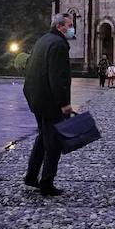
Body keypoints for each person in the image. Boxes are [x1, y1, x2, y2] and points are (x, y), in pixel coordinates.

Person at [23, 13, 75, 197]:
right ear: (61, 26)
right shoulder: (59, 45)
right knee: (53, 143)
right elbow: (57, 78)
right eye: (70, 25)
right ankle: (46, 183)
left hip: (36, 98)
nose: (71, 28)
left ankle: (31, 176)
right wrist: (64, 104)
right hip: (50, 101)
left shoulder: (43, 40)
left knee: (43, 137)